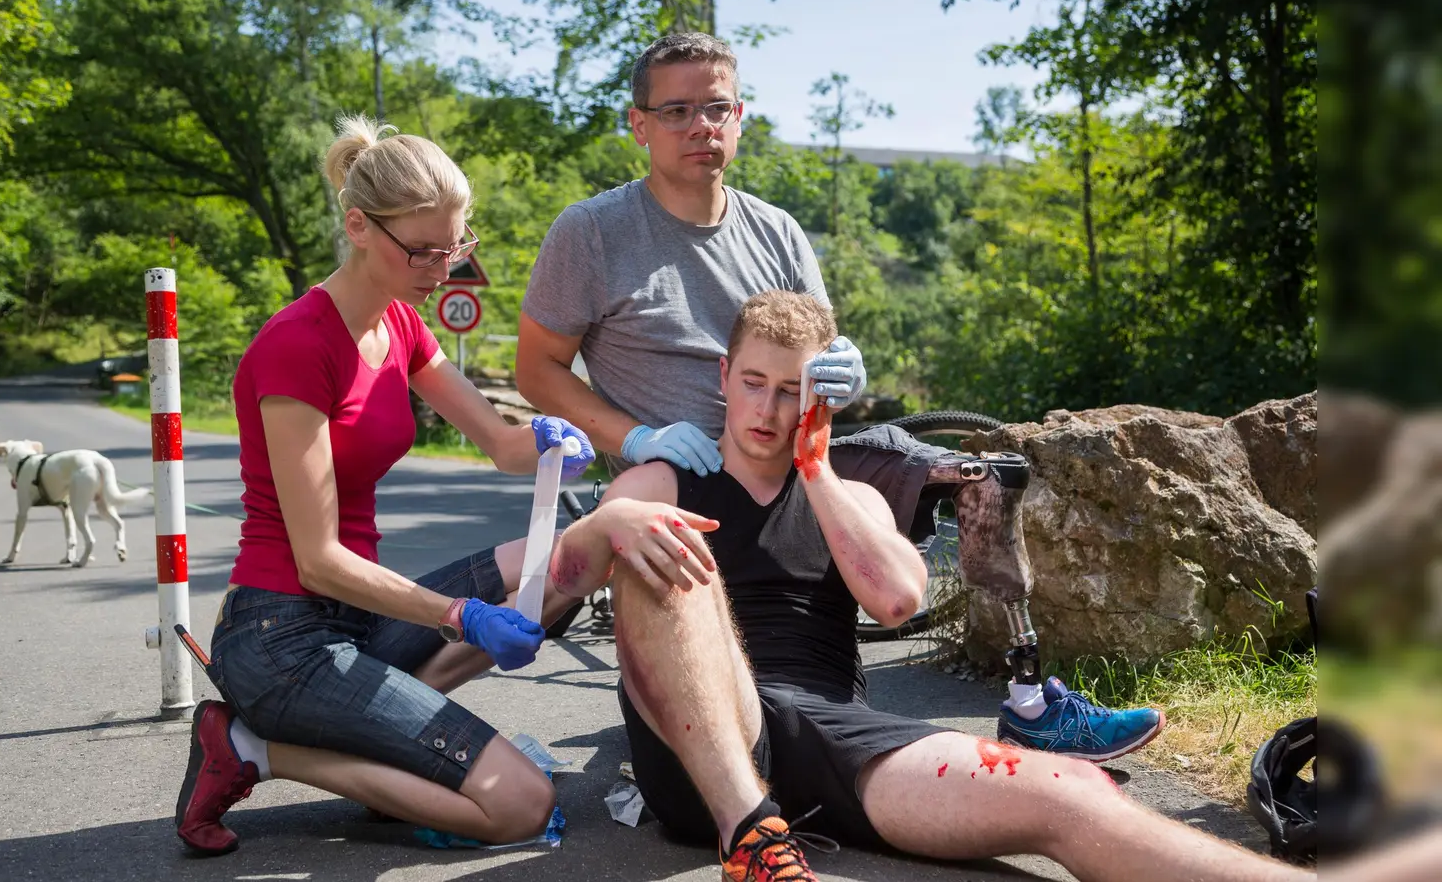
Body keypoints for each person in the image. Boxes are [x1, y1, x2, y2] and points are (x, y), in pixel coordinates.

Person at [517, 30, 1162, 761]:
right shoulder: (593, 233)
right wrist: (637, 439)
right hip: (686, 468)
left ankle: (1027, 697)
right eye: (676, 111)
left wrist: (841, 371)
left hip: (795, 451)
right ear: (638, 125)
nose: (700, 126)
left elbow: (815, 342)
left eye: (717, 107)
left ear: (741, 116)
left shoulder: (779, 233)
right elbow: (537, 369)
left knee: (980, 474)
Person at [546, 291, 1311, 882]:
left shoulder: (850, 493)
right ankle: (747, 829)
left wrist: (816, 469)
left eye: (791, 391)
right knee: (654, 535)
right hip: (701, 747)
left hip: (827, 734)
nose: (768, 409)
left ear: (822, 397)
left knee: (1071, 796)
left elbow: (897, 600)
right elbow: (565, 579)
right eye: (753, 383)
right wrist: (618, 524)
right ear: (723, 377)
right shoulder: (662, 477)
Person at [171, 116, 596, 856]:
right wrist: (461, 615)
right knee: (521, 804)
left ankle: (397, 747)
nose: (442, 269)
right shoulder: (297, 347)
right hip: (282, 641)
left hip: (358, 622)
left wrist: (545, 439)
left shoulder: (401, 324)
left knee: (571, 561)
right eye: (423, 251)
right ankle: (252, 745)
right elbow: (318, 563)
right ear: (360, 225)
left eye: (455, 246)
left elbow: (499, 444)